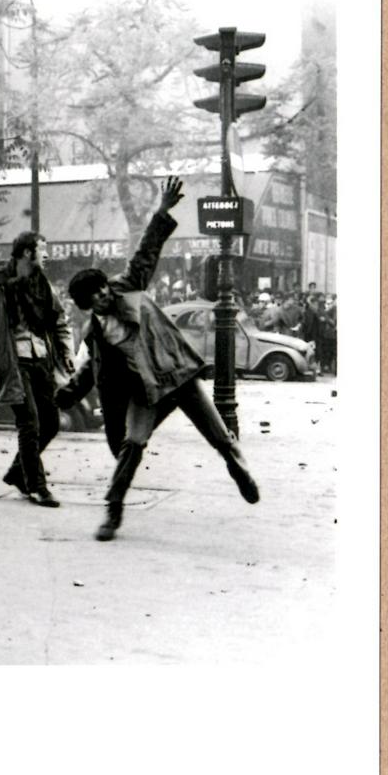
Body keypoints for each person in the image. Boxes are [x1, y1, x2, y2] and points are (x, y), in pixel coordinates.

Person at [56, 177, 260, 542]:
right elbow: (91, 370)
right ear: (88, 306)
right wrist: (69, 394)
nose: (105, 296)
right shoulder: (96, 333)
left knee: (220, 438)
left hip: (178, 374)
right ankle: (113, 510)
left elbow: (146, 252)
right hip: (147, 390)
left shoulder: (129, 284)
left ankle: (237, 466)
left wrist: (162, 212)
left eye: (104, 289)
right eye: (97, 297)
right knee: (132, 445)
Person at [0, 231, 75, 506]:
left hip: (41, 360)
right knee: (29, 423)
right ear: (28, 253)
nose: (48, 254)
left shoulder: (43, 286)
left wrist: (67, 352)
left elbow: (59, 321)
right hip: (13, 364)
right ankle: (37, 486)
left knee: (51, 422)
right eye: (43, 249)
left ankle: (19, 472)